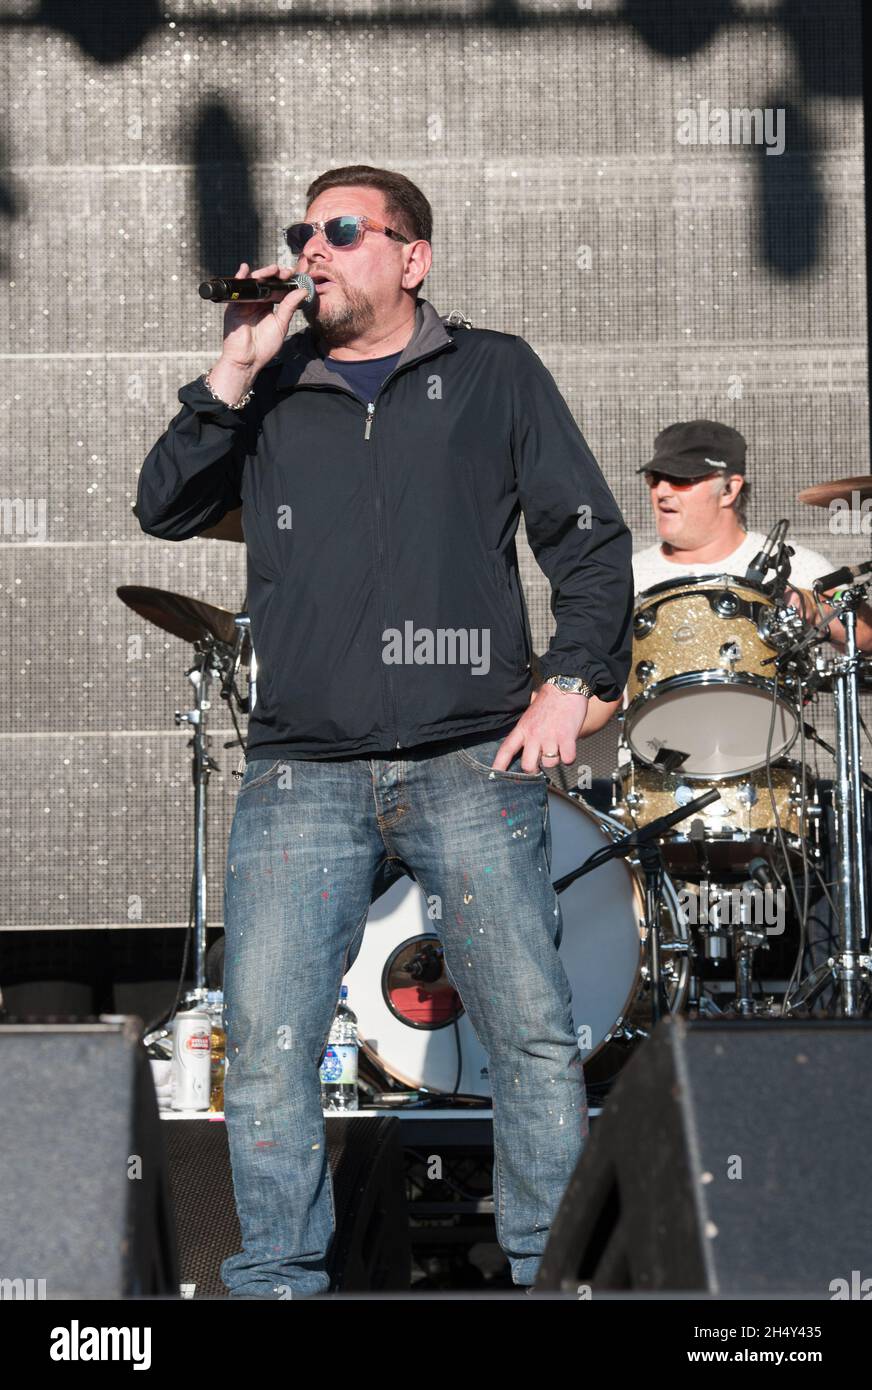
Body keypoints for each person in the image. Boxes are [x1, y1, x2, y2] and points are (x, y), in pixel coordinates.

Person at [136, 165, 633, 1297]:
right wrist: (235, 363)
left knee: (530, 1036)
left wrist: (571, 679)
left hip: (468, 756)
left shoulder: (492, 371)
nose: (314, 248)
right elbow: (161, 503)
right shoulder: (267, 387)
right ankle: (276, 1282)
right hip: (302, 770)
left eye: (343, 230)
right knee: (265, 1047)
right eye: (303, 230)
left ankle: (546, 1277)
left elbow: (587, 540)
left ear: (411, 257)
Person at [581, 419, 872, 735]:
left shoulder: (794, 564)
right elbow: (597, 701)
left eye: (680, 479)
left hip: (770, 769)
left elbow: (867, 640)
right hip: (651, 767)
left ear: (729, 488)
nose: (661, 491)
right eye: (655, 478)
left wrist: (811, 608)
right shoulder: (626, 577)